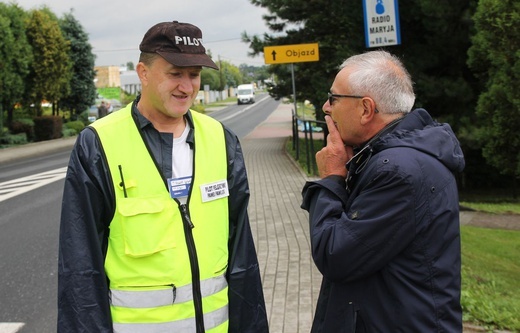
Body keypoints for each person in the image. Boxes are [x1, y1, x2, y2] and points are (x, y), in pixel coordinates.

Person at [58, 20, 269, 333]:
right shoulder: (99, 144)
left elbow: (242, 258)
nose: (187, 86)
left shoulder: (222, 140)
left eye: (194, 74)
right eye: (175, 73)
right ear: (143, 73)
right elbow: (80, 269)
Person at [301, 50, 465, 332]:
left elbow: (335, 255)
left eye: (334, 98)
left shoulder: (397, 171)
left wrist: (331, 178)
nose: (326, 107)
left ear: (366, 109)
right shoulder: (390, 157)